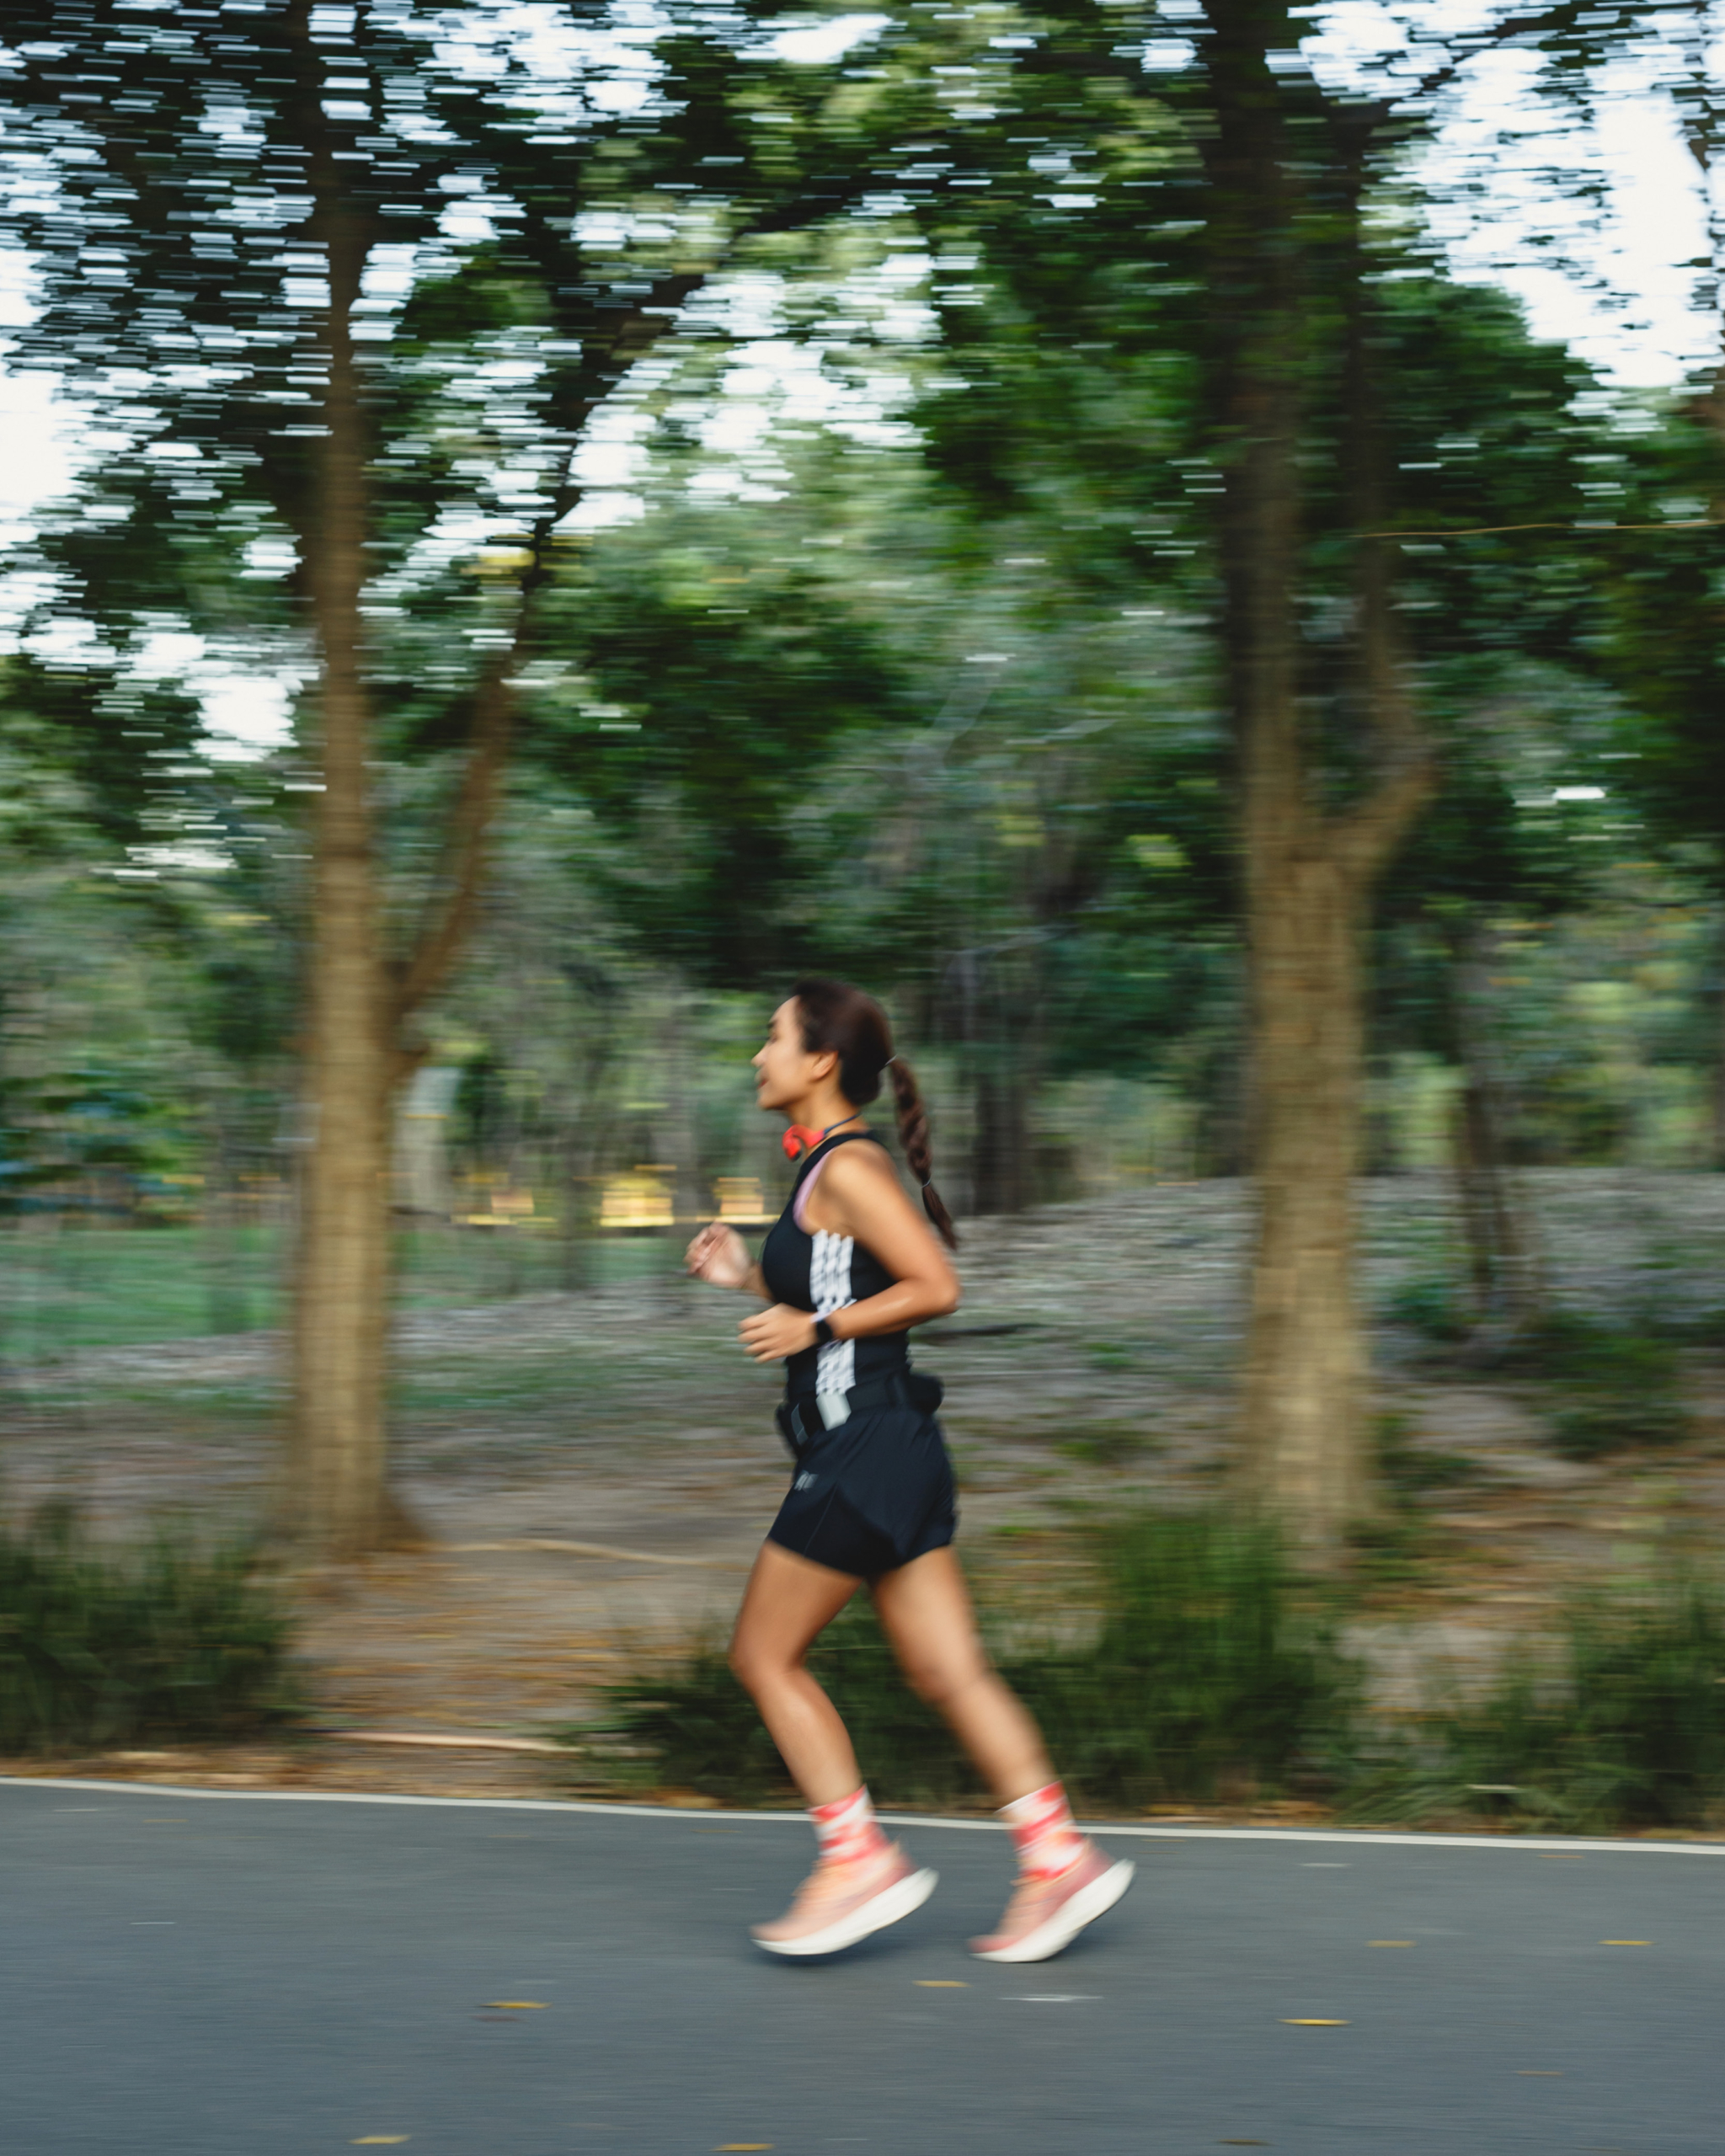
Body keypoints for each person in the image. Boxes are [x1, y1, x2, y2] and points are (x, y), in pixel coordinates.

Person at [685, 976, 1134, 1962]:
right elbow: (837, 1288)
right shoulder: (824, 1169)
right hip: (892, 1449)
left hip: (863, 1448)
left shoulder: (849, 1167)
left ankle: (857, 1861)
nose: (757, 1055)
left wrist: (815, 1327)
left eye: (771, 1037)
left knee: (763, 1655)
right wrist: (745, 1278)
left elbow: (934, 1285)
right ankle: (1057, 1857)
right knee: (946, 1668)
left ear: (819, 1061)